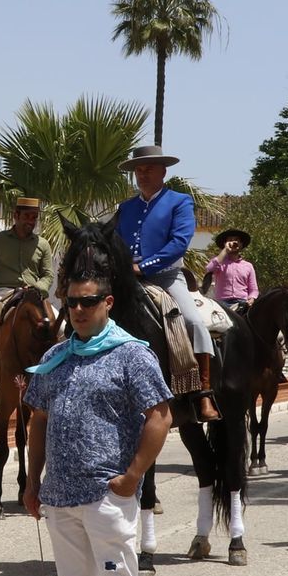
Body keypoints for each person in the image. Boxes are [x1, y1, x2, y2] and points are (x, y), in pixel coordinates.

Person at [23, 271, 172, 576]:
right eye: (71, 303)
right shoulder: (55, 358)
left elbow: (160, 416)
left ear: (108, 303)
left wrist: (133, 476)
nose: (79, 310)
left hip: (107, 493)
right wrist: (32, 483)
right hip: (60, 496)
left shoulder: (132, 355)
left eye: (88, 302)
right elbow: (38, 422)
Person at [115, 144, 219, 422]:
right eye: (139, 169)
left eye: (149, 168)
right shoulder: (125, 208)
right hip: (126, 277)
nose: (143, 174)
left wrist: (143, 266)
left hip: (166, 276)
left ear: (163, 171)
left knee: (192, 321)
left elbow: (179, 243)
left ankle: (203, 394)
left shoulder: (179, 201)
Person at [0, 196, 54, 300]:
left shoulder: (43, 244)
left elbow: (48, 275)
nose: (30, 221)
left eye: (34, 217)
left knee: (54, 315)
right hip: (3, 294)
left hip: (33, 295)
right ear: (16, 215)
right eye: (26, 216)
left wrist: (37, 288)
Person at [205, 228, 259, 311]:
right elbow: (209, 268)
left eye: (237, 240)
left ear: (241, 244)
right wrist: (225, 250)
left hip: (242, 303)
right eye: (230, 240)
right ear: (225, 244)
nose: (234, 242)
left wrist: (251, 299)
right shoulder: (220, 262)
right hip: (222, 304)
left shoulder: (248, 266)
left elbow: (254, 289)